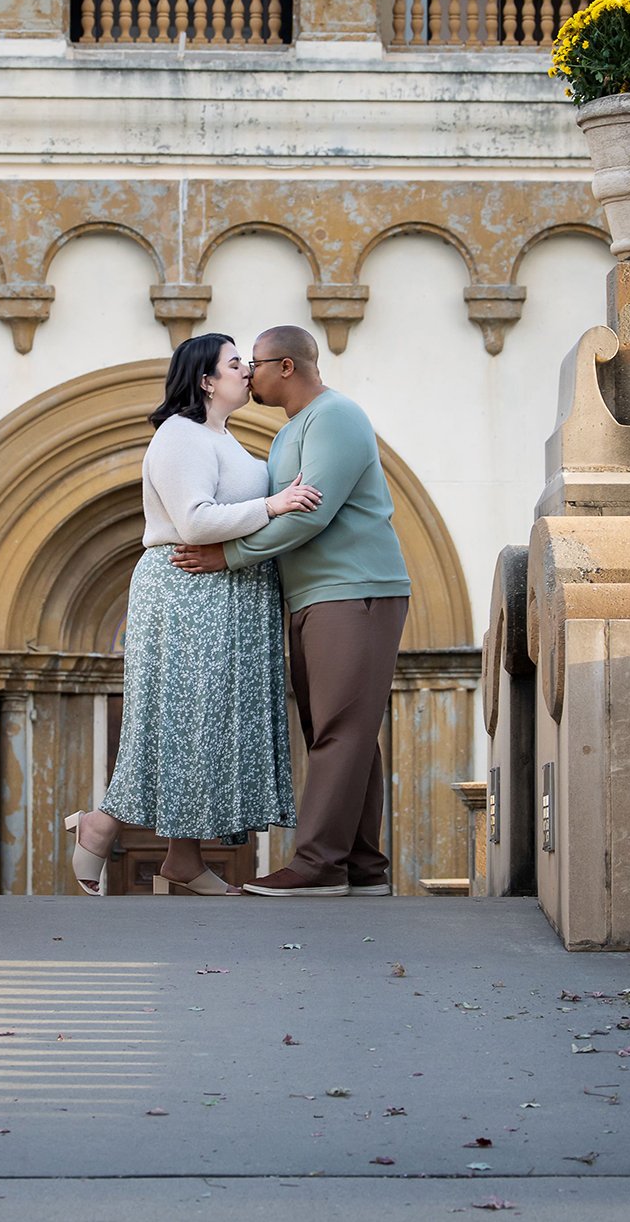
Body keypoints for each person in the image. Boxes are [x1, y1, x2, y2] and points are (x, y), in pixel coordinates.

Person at [65, 333, 320, 895]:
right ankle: (102, 823)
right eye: (235, 364)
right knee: (183, 719)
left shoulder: (221, 438)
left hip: (228, 594)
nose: (247, 372)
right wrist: (275, 504)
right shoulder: (179, 436)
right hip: (189, 592)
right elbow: (196, 522)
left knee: (211, 725)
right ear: (206, 380)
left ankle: (182, 859)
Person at [172, 324, 410, 897]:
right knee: (340, 732)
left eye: (253, 363)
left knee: (339, 731)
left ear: (285, 367)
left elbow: (309, 516)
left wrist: (226, 556)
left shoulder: (335, 417)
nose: (247, 374)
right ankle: (361, 867)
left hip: (356, 589)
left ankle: (316, 865)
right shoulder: (289, 435)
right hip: (312, 597)